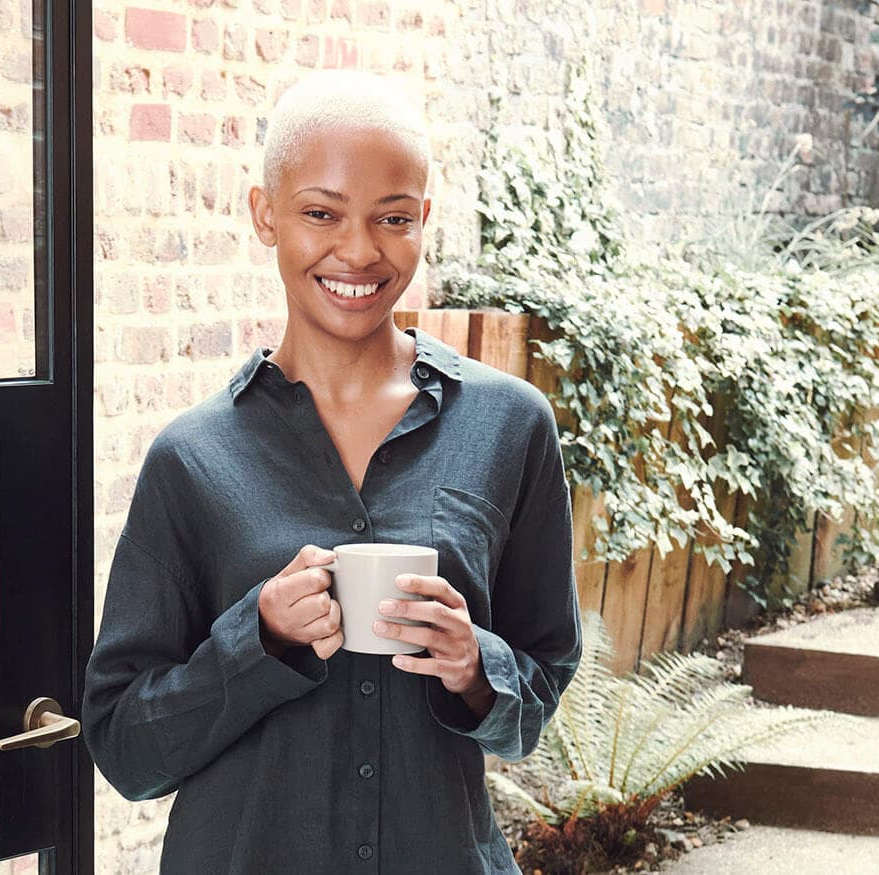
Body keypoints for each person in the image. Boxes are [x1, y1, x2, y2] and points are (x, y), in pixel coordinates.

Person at [84, 69, 583, 874]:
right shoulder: (192, 458)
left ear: (424, 221)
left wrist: (473, 664)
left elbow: (539, 684)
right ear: (265, 215)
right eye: (321, 212)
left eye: (392, 218)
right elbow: (125, 750)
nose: (358, 250)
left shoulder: (509, 425)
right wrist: (260, 640)